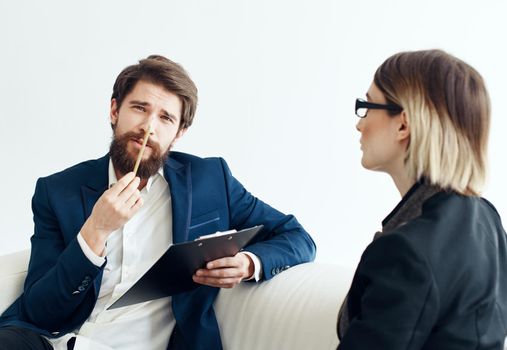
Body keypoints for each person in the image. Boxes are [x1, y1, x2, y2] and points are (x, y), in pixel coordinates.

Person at [0, 55, 316, 350]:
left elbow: (297, 236)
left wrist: (249, 264)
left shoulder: (210, 181)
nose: (149, 126)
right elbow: (40, 310)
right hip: (55, 341)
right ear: (114, 111)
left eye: (165, 118)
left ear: (179, 133)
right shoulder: (57, 191)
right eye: (139, 108)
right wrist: (95, 230)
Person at [337, 50, 507, 349]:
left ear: (403, 124)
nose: (359, 124)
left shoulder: (404, 251)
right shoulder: (486, 218)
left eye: (366, 106)